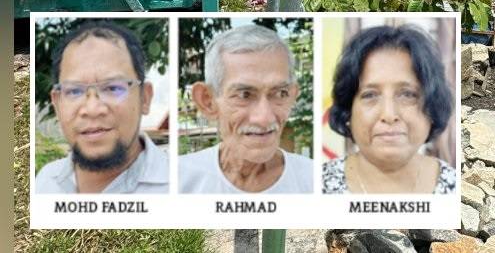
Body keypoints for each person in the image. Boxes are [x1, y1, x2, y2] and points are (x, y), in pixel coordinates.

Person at [36, 21, 169, 194]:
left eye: (113, 88)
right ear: (57, 104)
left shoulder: (185, 186)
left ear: (144, 98)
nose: (92, 109)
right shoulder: (45, 182)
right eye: (74, 91)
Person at [323, 25, 456, 194]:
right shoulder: (317, 188)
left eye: (407, 94)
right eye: (370, 95)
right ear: (349, 109)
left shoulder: (455, 188)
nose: (389, 114)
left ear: (432, 106)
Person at [179, 25, 312, 193]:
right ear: (208, 101)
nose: (264, 118)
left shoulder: (313, 181)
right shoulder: (179, 179)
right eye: (244, 95)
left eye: (280, 93)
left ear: (292, 97)